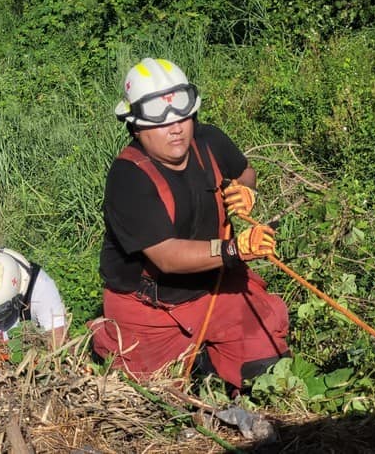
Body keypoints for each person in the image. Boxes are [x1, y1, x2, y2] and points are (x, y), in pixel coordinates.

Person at [88, 58, 290, 391]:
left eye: (182, 116)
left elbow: (245, 172)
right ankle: (109, 336)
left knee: (265, 370)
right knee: (153, 395)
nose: (176, 128)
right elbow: (167, 256)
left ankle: (207, 354)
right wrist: (233, 249)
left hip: (214, 287)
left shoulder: (209, 141)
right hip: (150, 308)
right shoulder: (128, 177)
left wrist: (245, 191)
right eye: (160, 121)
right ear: (135, 126)